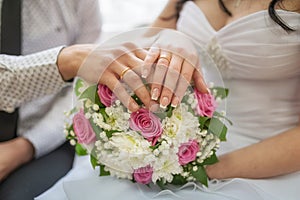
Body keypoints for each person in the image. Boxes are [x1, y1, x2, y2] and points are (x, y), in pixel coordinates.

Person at [36, 0, 300, 200]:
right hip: (174, 143)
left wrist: (202, 169)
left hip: (265, 157)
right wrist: (170, 41)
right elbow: (149, 41)